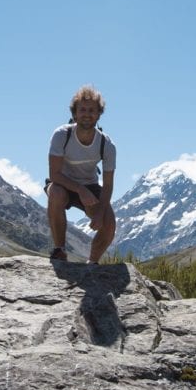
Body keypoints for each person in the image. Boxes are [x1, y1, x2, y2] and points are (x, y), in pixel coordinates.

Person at [45, 85, 117, 263]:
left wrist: (100, 213)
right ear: (75, 113)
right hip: (63, 182)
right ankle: (59, 250)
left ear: (99, 114)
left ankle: (92, 263)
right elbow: (54, 174)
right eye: (82, 109)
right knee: (55, 193)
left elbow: (107, 186)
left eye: (92, 110)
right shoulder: (62, 135)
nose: (87, 114)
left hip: (91, 185)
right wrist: (79, 190)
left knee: (109, 224)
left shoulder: (106, 145)